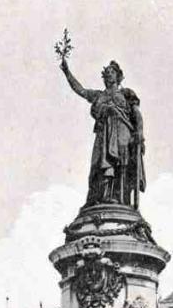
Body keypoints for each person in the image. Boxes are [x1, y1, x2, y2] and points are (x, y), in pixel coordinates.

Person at [60, 57, 145, 207]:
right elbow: (81, 90)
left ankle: (121, 199)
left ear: (118, 76)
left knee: (121, 165)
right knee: (100, 163)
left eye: (112, 72)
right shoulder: (98, 96)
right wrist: (67, 72)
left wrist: (140, 133)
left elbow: (137, 114)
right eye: (106, 72)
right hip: (103, 134)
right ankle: (103, 196)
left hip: (122, 132)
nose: (108, 74)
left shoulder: (126, 94)